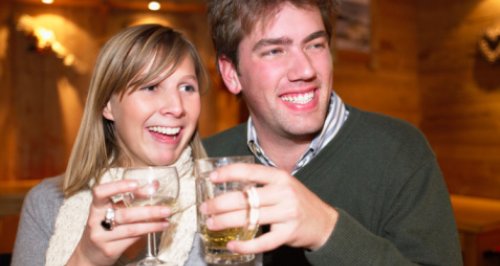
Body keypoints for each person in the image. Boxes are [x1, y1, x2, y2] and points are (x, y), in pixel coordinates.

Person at [201, 1, 463, 265]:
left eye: (315, 45)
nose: (306, 70)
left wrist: (327, 230)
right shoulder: (205, 159)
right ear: (231, 73)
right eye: (275, 51)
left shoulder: (401, 150)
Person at [12, 24, 208, 266]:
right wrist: (86, 258)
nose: (177, 107)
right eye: (150, 87)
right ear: (107, 105)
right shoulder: (47, 202)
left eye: (187, 87)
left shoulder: (223, 201)